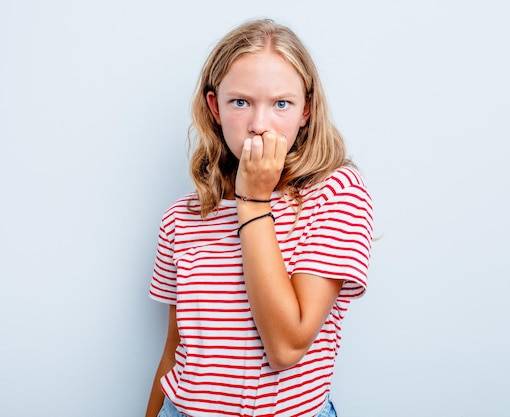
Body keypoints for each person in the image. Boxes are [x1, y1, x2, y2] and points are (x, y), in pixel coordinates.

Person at [146, 18, 373, 417]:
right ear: (215, 107)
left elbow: (286, 346)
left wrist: (253, 200)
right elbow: (174, 351)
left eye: (281, 104)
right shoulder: (181, 218)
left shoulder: (337, 193)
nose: (259, 125)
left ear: (307, 109)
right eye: (241, 102)